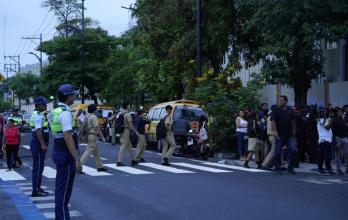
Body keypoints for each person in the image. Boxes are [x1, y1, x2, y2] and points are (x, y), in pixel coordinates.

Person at [50, 84, 82, 220]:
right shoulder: (65, 113)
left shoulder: (55, 111)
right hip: (66, 154)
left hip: (58, 151)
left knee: (60, 190)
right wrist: (77, 159)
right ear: (68, 96)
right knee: (63, 193)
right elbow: (68, 137)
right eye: (73, 95)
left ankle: (62, 216)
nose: (74, 96)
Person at [30, 96, 50, 197]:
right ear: (39, 105)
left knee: (40, 166)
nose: (46, 105)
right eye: (44, 104)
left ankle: (38, 187)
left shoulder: (40, 114)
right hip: (37, 143)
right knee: (37, 167)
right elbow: (38, 131)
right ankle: (35, 190)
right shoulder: (38, 115)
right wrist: (43, 144)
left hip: (38, 142)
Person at [272, 95, 297, 175]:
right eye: (279, 100)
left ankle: (291, 167)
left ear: (286, 101)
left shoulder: (290, 109)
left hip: (289, 133)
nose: (280, 102)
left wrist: (294, 131)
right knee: (278, 151)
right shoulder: (276, 109)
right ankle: (277, 167)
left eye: (282, 100)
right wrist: (275, 131)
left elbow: (293, 121)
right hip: (279, 134)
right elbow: (273, 121)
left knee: (292, 150)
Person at [80, 104, 107, 172]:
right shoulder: (94, 117)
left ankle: (100, 166)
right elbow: (97, 128)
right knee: (88, 151)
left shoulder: (87, 116)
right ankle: (78, 165)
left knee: (96, 152)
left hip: (89, 135)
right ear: (94, 110)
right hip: (93, 135)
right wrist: (102, 137)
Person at [117, 102, 139, 166]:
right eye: (129, 105)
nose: (130, 107)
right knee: (123, 145)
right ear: (127, 106)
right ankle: (119, 161)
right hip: (126, 130)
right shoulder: (127, 114)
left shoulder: (121, 113)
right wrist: (135, 131)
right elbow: (131, 124)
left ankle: (132, 160)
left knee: (129, 146)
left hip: (122, 130)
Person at [316, 109, 334, 175]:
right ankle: (328, 170)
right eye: (324, 112)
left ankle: (320, 169)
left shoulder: (325, 119)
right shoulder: (321, 120)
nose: (326, 113)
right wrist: (331, 119)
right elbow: (328, 127)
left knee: (322, 156)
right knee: (327, 156)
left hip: (325, 140)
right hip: (325, 140)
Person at [331, 108, 348, 175]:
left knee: (346, 154)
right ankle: (338, 169)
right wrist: (335, 140)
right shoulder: (334, 120)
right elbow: (332, 131)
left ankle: (347, 169)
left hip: (344, 137)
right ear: (336, 113)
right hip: (337, 138)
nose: (340, 113)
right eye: (339, 112)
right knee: (338, 155)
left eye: (341, 112)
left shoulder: (343, 119)